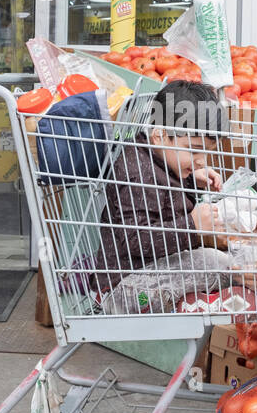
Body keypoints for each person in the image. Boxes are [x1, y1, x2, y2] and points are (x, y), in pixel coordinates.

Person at [91, 80, 230, 315]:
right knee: (217, 263)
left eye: (206, 152)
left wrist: (189, 176)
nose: (201, 160)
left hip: (150, 276)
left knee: (228, 259)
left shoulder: (160, 162)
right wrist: (192, 226)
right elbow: (136, 239)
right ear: (159, 136)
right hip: (127, 290)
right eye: (194, 150)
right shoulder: (137, 171)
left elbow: (166, 202)